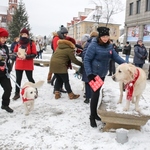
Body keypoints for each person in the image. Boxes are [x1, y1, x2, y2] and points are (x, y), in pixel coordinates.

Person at [84, 26, 126, 128]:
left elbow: (116, 57)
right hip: (94, 74)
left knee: (97, 94)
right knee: (95, 94)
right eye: (103, 36)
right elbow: (86, 60)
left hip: (102, 74)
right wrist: (89, 74)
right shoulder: (94, 45)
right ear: (100, 36)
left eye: (107, 36)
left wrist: (127, 64)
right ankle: (92, 116)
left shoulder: (109, 46)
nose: (105, 38)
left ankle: (94, 114)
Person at [12, 28, 37, 100]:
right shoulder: (18, 43)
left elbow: (34, 54)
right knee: (18, 80)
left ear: (28, 35)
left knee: (30, 79)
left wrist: (26, 56)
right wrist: (17, 54)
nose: (24, 35)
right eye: (22, 34)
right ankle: (17, 93)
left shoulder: (31, 43)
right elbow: (14, 52)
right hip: (19, 64)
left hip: (28, 64)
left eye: (25, 34)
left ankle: (35, 91)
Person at [81, 31, 98, 104]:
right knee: (95, 81)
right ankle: (93, 97)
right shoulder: (98, 44)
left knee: (87, 82)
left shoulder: (87, 43)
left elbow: (84, 55)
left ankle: (87, 98)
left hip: (87, 65)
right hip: (96, 66)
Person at [0, 28, 13, 113]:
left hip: (4, 72)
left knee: (8, 88)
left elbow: (7, 58)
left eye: (5, 37)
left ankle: (5, 104)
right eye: (2, 37)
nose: (4, 39)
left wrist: (9, 65)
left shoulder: (5, 47)